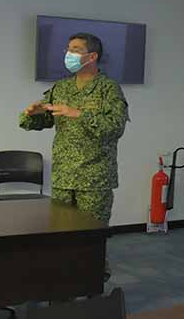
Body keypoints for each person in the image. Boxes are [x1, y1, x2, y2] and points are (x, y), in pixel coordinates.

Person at [20, 33, 129, 230]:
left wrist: (79, 114)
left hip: (94, 179)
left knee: (91, 235)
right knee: (61, 234)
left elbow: (115, 127)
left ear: (92, 56)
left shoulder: (108, 88)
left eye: (76, 50)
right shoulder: (61, 87)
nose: (69, 54)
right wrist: (31, 115)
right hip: (63, 177)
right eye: (68, 49)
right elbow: (42, 120)